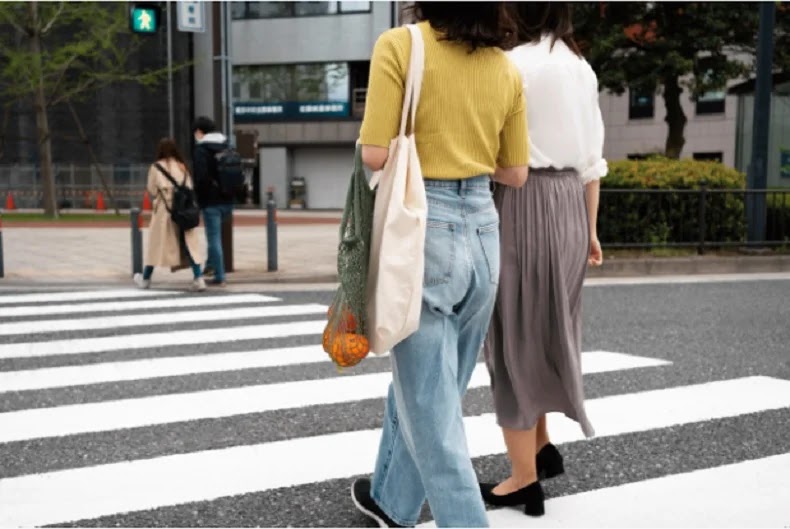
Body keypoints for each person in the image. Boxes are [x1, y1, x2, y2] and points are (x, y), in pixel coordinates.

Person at [351, 3, 529, 527]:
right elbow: (516, 172)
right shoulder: (505, 66)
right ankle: (392, 502)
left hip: (422, 228)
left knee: (433, 410)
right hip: (483, 229)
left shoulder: (402, 45)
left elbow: (375, 153)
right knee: (433, 389)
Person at [480, 1, 607, 517]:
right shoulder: (582, 68)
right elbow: (592, 160)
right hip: (572, 208)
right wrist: (592, 230)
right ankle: (541, 447)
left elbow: (494, 150)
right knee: (551, 332)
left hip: (522, 201)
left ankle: (523, 480)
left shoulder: (511, 66)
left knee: (512, 337)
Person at [134, 138, 206, 292]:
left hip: (164, 211)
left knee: (156, 246)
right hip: (185, 210)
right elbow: (190, 187)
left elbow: (152, 190)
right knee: (189, 245)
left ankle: (146, 279)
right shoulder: (182, 166)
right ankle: (199, 278)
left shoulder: (156, 167)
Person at [192, 116, 233, 287]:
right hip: (229, 199)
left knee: (213, 238)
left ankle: (220, 276)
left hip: (211, 201)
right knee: (215, 236)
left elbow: (201, 178)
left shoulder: (202, 150)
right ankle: (210, 266)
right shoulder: (227, 145)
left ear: (200, 132)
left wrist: (198, 198)